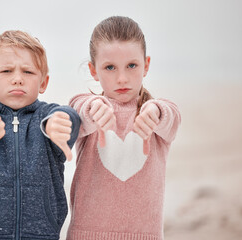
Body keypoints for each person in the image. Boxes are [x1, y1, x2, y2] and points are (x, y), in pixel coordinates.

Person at [0, 30, 80, 240]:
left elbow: (69, 116)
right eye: (6, 71)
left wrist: (55, 124)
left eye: (28, 72)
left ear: (43, 83)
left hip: (42, 234)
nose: (17, 79)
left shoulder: (48, 117)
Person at [67, 16, 181, 240]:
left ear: (146, 65)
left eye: (132, 65)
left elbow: (173, 118)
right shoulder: (88, 110)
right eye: (110, 67)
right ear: (93, 70)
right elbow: (74, 113)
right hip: (86, 235)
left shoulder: (156, 115)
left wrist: (156, 111)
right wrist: (92, 108)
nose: (122, 78)